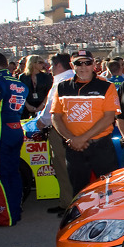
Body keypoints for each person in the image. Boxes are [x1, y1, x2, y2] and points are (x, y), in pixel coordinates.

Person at [51, 50, 120, 196]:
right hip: (74, 148)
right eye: (78, 63)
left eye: (87, 63)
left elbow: (109, 117)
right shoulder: (62, 87)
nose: (83, 67)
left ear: (94, 64)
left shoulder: (107, 86)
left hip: (100, 147)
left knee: (109, 190)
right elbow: (56, 117)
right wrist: (71, 139)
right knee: (79, 192)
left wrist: (81, 139)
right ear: (72, 65)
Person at [0, 51, 29, 228]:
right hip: (16, 129)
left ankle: (4, 216)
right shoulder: (19, 82)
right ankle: (13, 211)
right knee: (12, 173)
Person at [38, 53, 76, 215]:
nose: (50, 69)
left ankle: (68, 203)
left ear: (59, 66)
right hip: (74, 128)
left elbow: (51, 110)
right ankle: (66, 201)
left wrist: (41, 122)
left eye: (51, 66)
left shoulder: (60, 81)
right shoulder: (73, 78)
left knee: (62, 166)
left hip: (60, 128)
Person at [18, 54, 52, 119]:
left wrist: (42, 106)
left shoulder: (46, 76)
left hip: (42, 105)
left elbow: (49, 93)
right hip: (27, 106)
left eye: (43, 63)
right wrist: (27, 105)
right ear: (33, 63)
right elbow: (20, 93)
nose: (42, 65)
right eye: (40, 62)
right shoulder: (22, 77)